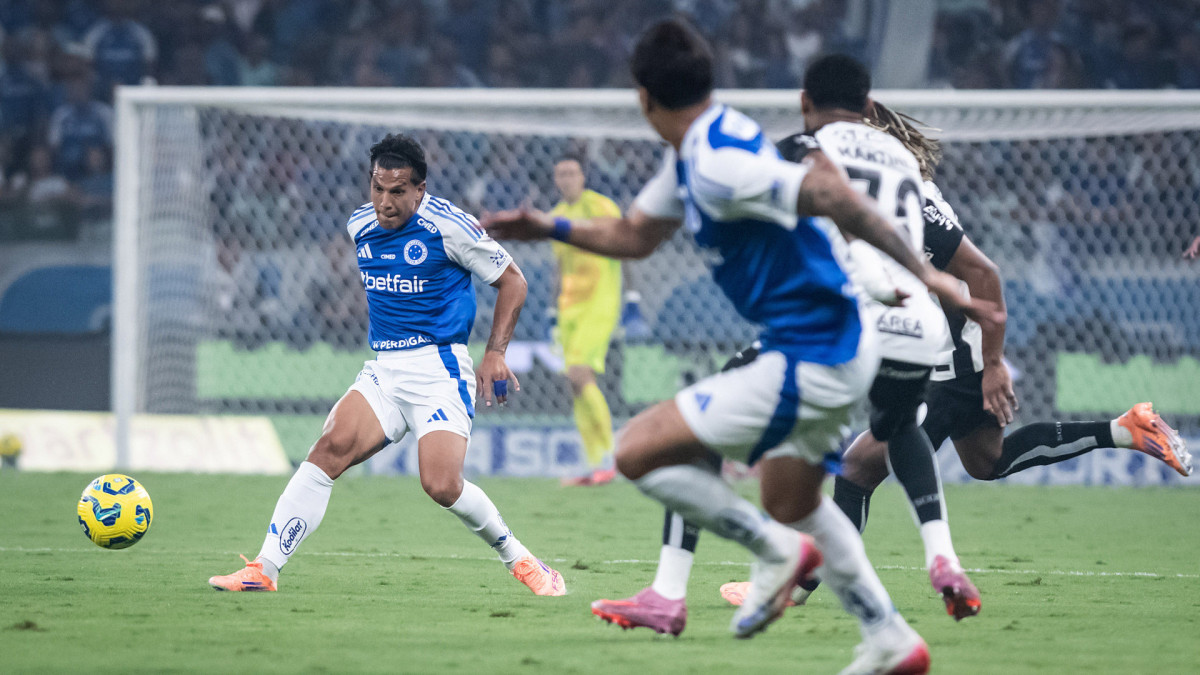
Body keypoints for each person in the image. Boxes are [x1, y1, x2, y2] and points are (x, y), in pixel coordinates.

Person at [485, 19, 993, 675]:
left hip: (814, 350)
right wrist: (549, 226)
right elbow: (636, 235)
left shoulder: (720, 162)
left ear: (644, 97)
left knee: (638, 450)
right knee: (793, 502)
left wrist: (925, 273)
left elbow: (829, 191)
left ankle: (769, 555)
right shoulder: (704, 142)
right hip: (831, 345)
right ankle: (889, 637)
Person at [723, 99, 1192, 612]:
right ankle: (1127, 429)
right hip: (942, 350)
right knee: (988, 460)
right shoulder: (876, 189)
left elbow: (983, 273)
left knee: (857, 469)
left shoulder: (911, 198)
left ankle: (795, 584)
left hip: (950, 357)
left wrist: (991, 365)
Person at [208, 133, 566, 597]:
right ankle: (264, 569)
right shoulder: (359, 224)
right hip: (386, 369)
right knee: (328, 448)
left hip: (440, 370)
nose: (385, 201)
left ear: (420, 189)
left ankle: (523, 560)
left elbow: (513, 281)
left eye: (398, 191)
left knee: (441, 485)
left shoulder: (450, 226)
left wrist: (495, 352)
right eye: (378, 188)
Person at [548, 154, 622, 486]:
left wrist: (633, 298)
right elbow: (558, 266)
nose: (567, 179)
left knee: (580, 373)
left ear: (582, 177)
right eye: (561, 174)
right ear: (555, 180)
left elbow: (623, 247)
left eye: (572, 172)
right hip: (569, 307)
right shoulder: (555, 217)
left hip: (599, 302)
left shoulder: (601, 207)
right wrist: (552, 310)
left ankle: (609, 458)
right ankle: (595, 464)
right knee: (574, 383)